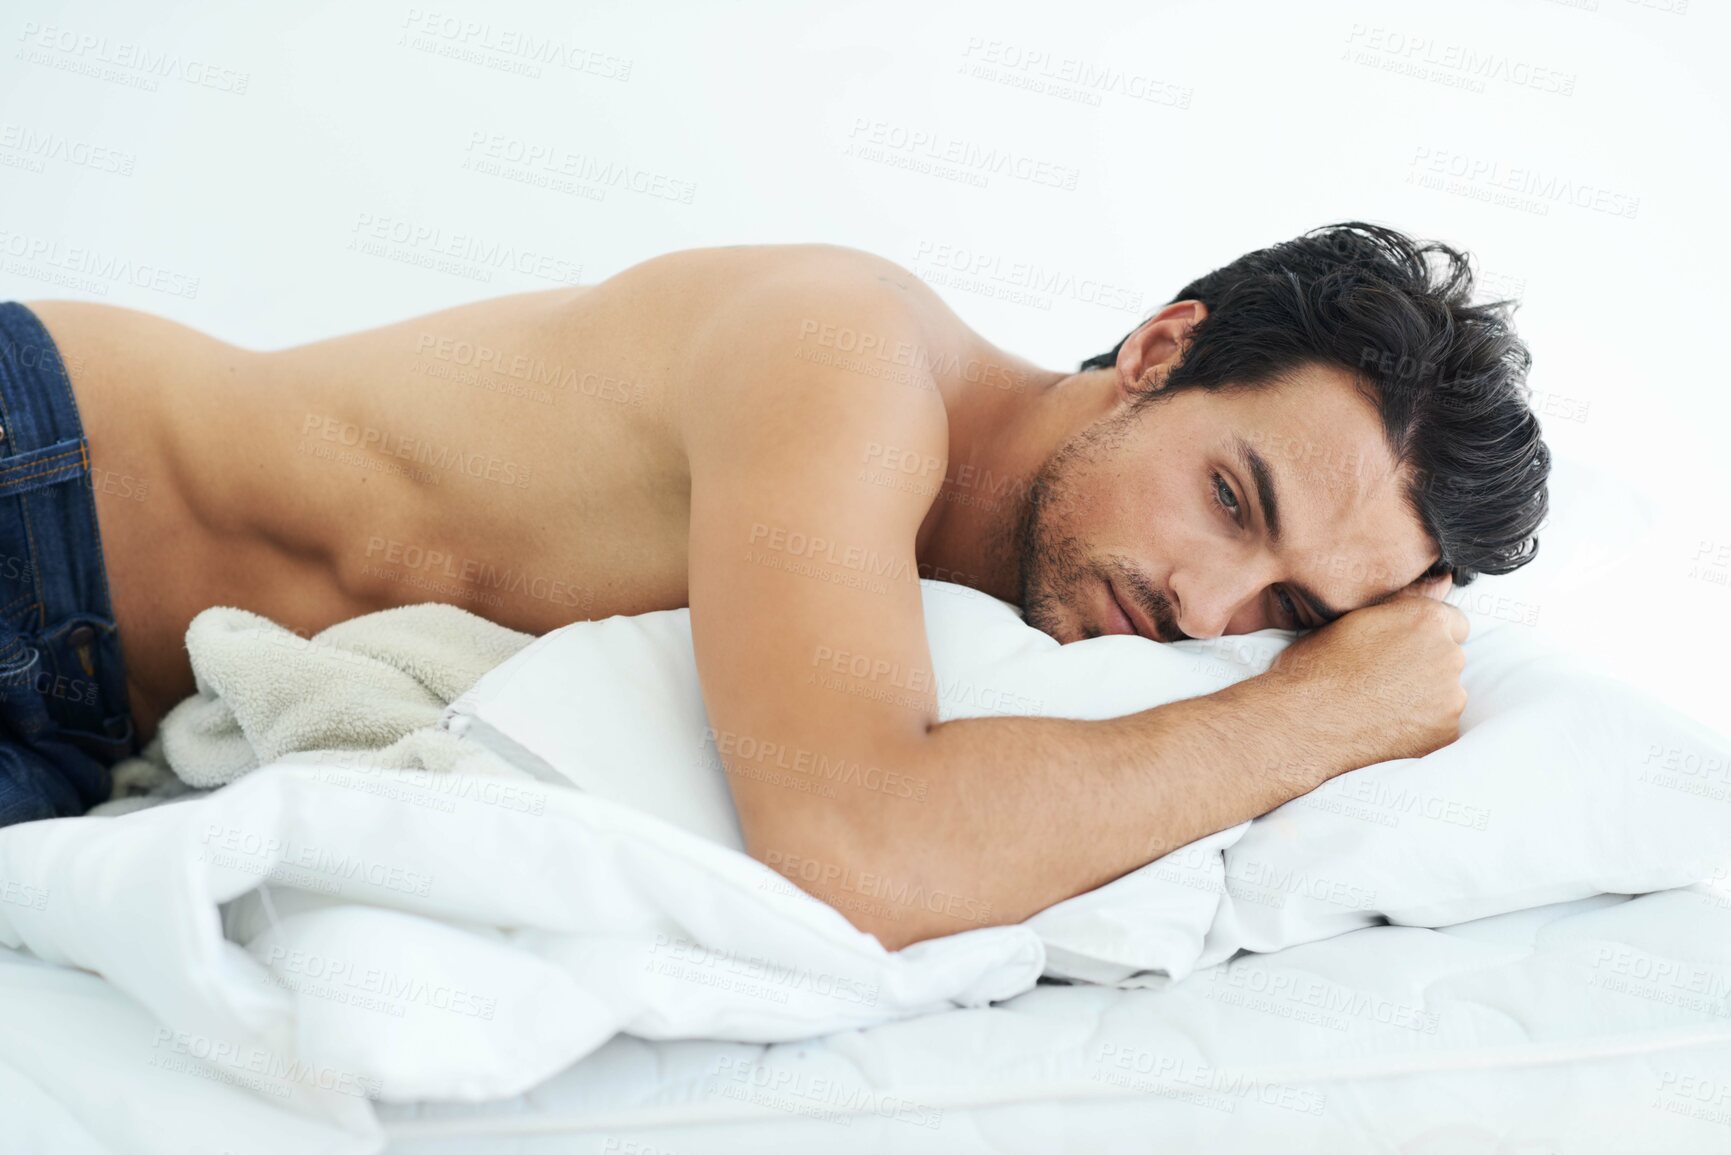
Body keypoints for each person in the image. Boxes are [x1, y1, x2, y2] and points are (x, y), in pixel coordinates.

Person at [2, 221, 1548, 947]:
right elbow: (856, 842)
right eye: (1232, 499)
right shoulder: (849, 355)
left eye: (1286, 614)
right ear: (1156, 352)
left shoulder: (1006, 623)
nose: (1210, 610)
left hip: (83, 732)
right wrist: (1316, 718)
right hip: (43, 484)